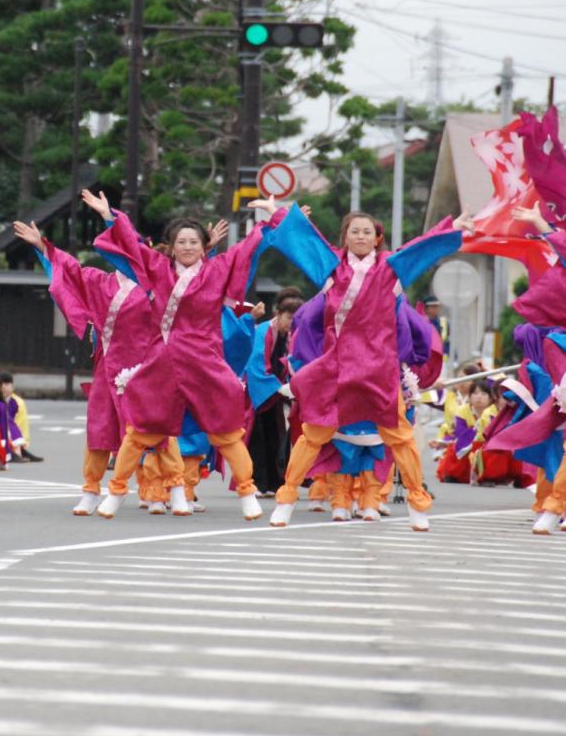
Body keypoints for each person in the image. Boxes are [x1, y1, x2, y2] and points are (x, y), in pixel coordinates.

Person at [87, 189, 291, 521]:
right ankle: (117, 490)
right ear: (171, 246)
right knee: (140, 431)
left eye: (193, 242)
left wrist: (271, 216)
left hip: (203, 361)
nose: (187, 247)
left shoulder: (218, 268)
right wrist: (110, 216)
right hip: (163, 361)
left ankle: (247, 491)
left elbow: (249, 247)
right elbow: (132, 246)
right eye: (181, 242)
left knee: (226, 431)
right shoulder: (157, 268)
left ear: (204, 246)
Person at [269, 206, 473, 531]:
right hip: (337, 368)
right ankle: (286, 498)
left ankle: (417, 504)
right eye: (354, 232)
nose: (360, 237)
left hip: (379, 370)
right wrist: (277, 213)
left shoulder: (390, 270)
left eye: (367, 232)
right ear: (345, 238)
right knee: (313, 435)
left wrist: (451, 228)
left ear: (377, 238)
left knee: (401, 440)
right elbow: (308, 242)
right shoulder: (332, 268)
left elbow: (418, 249)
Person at [13, 214, 183, 515]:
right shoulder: (101, 283)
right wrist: (43, 246)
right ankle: (91, 490)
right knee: (100, 429)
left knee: (153, 430)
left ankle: (159, 489)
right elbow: (71, 271)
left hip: (147, 368)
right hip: (108, 367)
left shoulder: (158, 284)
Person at [245, 290, 302, 498]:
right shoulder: (263, 331)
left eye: (295, 320)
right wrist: (276, 387)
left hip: (278, 392)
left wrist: (292, 386)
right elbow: (256, 364)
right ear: (277, 313)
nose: (291, 323)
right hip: (258, 392)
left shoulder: (291, 336)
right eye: (288, 318)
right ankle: (256, 482)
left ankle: (274, 482)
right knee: (257, 436)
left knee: (276, 436)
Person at [0, 372, 43, 462]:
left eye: (7, 384)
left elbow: (21, 425)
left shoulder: (18, 403)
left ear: (12, 387)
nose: (3, 387)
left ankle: (19, 450)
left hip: (11, 438)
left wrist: (21, 443)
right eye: (0, 384)